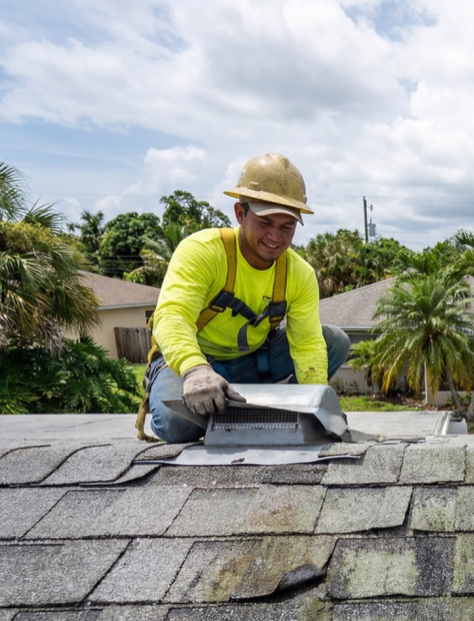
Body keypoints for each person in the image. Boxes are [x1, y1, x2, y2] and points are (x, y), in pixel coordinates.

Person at [143, 152, 350, 442]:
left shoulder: (299, 274)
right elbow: (172, 316)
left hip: (253, 362)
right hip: (194, 361)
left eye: (286, 226)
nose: (275, 237)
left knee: (335, 341)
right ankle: (217, 398)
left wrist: (315, 405)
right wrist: (195, 369)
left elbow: (307, 346)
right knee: (176, 426)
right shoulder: (203, 251)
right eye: (265, 223)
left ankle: (265, 408)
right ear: (241, 214)